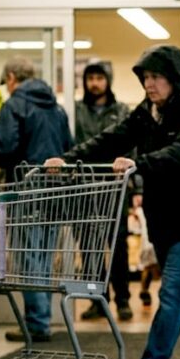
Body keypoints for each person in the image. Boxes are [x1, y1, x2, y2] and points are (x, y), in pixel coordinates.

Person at [46, 44, 180, 359]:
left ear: (174, 79)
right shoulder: (147, 113)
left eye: (156, 77)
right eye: (145, 78)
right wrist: (67, 160)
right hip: (160, 218)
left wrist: (139, 164)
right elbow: (111, 138)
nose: (149, 84)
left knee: (173, 292)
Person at [0, 56, 72, 342]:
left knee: (27, 259)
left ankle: (37, 324)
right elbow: (69, 149)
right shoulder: (57, 108)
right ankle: (41, 319)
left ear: (12, 77)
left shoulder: (13, 105)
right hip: (55, 192)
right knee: (44, 259)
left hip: (26, 190)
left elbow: (3, 149)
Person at [74, 59, 135, 322]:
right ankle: (98, 300)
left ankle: (123, 299)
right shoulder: (75, 111)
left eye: (99, 78)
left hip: (114, 187)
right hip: (84, 188)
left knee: (117, 244)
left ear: (108, 80)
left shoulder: (121, 110)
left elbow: (132, 147)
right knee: (88, 247)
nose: (95, 83)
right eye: (90, 78)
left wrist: (136, 185)